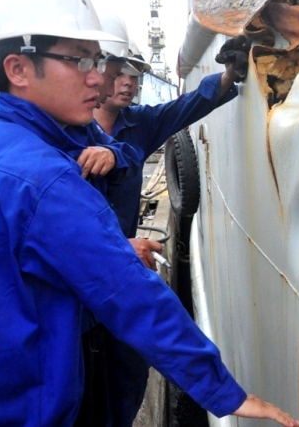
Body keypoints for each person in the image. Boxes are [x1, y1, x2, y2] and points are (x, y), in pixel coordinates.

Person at [0, 0, 299, 427]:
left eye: (98, 61)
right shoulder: (46, 181)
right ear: (18, 68)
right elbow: (130, 292)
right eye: (79, 60)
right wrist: (221, 390)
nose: (97, 77)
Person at [92, 28, 244, 426]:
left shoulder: (137, 125)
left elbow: (187, 107)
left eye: (134, 76)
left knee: (126, 368)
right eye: (120, 72)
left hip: (118, 268)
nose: (128, 82)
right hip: (87, 267)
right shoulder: (62, 134)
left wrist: (228, 76)